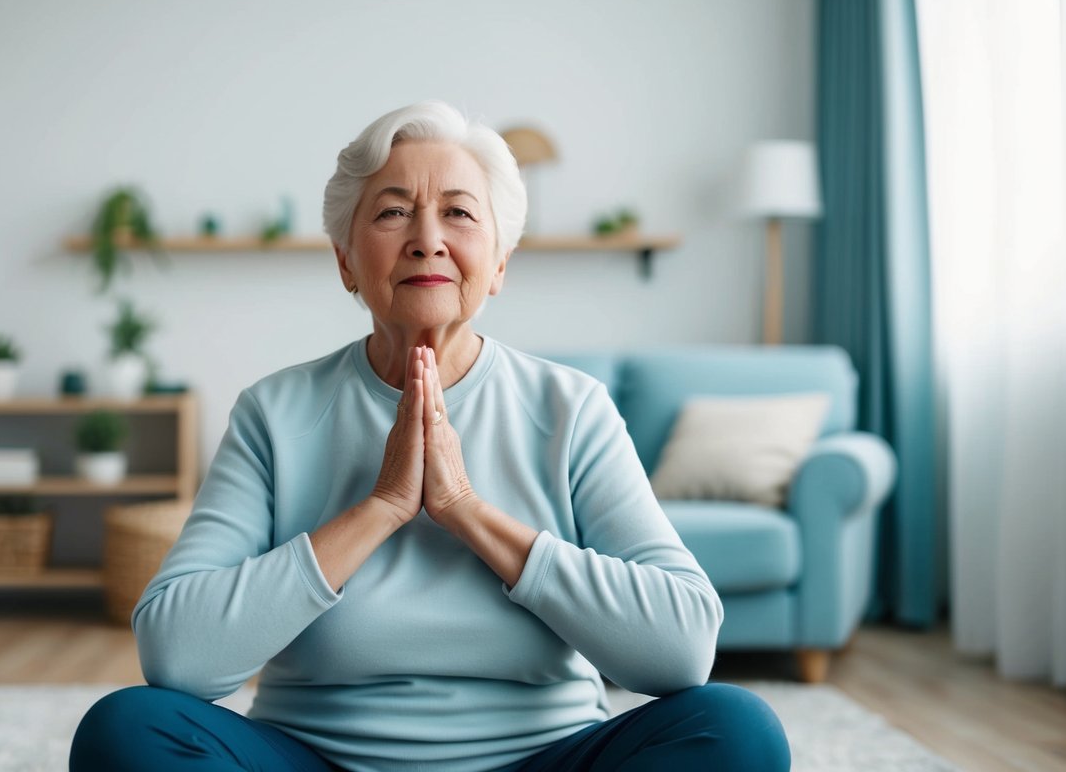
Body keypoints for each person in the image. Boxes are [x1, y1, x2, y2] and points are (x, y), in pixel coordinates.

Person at [71, 101, 790, 771]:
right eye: (392, 213)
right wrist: (381, 506)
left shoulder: (571, 407)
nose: (426, 239)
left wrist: (466, 512)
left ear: (499, 263)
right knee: (127, 729)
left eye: (457, 213)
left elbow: (681, 650)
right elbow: (175, 656)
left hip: (541, 758)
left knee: (735, 729)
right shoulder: (275, 411)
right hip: (319, 759)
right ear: (346, 259)